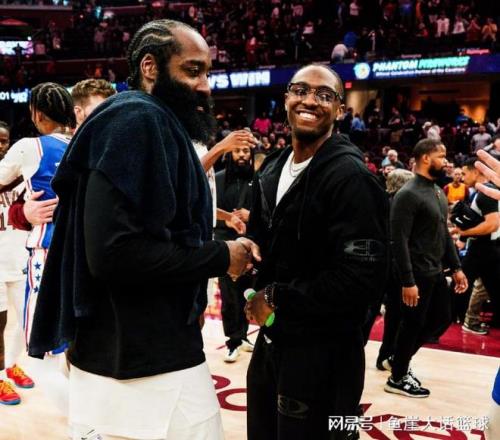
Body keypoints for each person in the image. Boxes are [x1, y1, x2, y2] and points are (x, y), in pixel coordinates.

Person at [28, 19, 260, 440]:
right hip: (139, 365)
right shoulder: (136, 118)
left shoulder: (151, 121)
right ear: (150, 66)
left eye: (207, 72)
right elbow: (114, 254)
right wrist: (222, 255)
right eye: (192, 70)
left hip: (144, 354)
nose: (205, 86)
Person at [245, 64, 389, 440]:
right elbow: (269, 243)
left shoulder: (353, 178)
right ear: (286, 99)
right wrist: (248, 256)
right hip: (273, 341)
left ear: (340, 110)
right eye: (300, 90)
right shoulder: (273, 166)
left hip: (325, 354)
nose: (310, 100)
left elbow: (361, 279)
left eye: (324, 95)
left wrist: (276, 297)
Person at [0, 83, 75, 413]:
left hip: (46, 250)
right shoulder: (82, 142)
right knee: (71, 346)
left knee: (41, 357)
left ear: (37, 114)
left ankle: (85, 427)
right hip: (82, 251)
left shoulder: (29, 147)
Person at [385, 138, 468, 398]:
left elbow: (443, 233)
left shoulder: (437, 191)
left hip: (435, 270)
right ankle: (397, 377)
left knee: (442, 318)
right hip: (416, 273)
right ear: (425, 158)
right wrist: (407, 281)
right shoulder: (407, 194)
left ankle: (399, 358)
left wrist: (456, 267)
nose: (446, 162)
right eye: (441, 156)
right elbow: (398, 241)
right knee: (412, 323)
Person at [8, 79, 117, 231]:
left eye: (112, 111)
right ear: (77, 112)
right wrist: (23, 213)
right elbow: (20, 203)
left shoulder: (113, 149)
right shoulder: (42, 148)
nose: (108, 117)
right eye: (100, 110)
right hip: (58, 240)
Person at [215, 143, 255, 362]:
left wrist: (251, 215)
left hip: (250, 244)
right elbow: (210, 212)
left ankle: (243, 335)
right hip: (226, 244)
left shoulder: (258, 180)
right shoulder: (219, 179)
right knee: (229, 295)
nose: (241, 155)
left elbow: (267, 212)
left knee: (247, 293)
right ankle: (233, 341)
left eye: (245, 151)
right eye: (238, 151)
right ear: (230, 154)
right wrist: (228, 221)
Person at [0, 122, 30, 406]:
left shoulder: (22, 174)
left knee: (25, 319)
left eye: (4, 141)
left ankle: (11, 363)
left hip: (19, 256)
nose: (0, 146)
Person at [456, 158, 500, 333]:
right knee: (468, 285)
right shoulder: (482, 192)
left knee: (469, 285)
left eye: (464, 173)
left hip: (485, 246)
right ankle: (465, 320)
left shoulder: (485, 192)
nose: (462, 177)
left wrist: (463, 233)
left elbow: (491, 225)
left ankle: (461, 319)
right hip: (483, 246)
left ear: (476, 171)